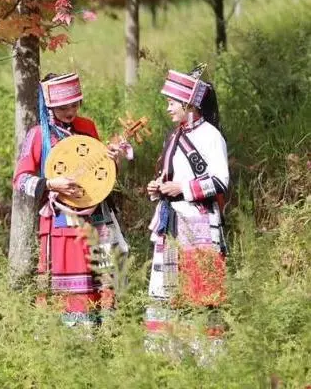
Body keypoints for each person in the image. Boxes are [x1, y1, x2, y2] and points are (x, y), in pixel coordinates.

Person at [13, 72, 128, 327]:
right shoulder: (38, 135)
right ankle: (71, 340)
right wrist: (51, 183)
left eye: (74, 104)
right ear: (50, 106)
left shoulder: (87, 128)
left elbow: (101, 174)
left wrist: (113, 159)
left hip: (97, 216)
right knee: (68, 282)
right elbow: (19, 180)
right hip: (60, 221)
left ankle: (105, 335)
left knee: (103, 277)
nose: (70, 111)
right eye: (63, 106)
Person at [145, 67, 228, 359]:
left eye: (172, 102)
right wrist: (160, 187)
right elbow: (170, 175)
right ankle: (171, 355)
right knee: (169, 287)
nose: (168, 107)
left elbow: (220, 181)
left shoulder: (210, 136)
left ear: (189, 105)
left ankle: (205, 356)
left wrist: (181, 187)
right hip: (172, 223)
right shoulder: (174, 136)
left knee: (199, 286)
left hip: (200, 224)